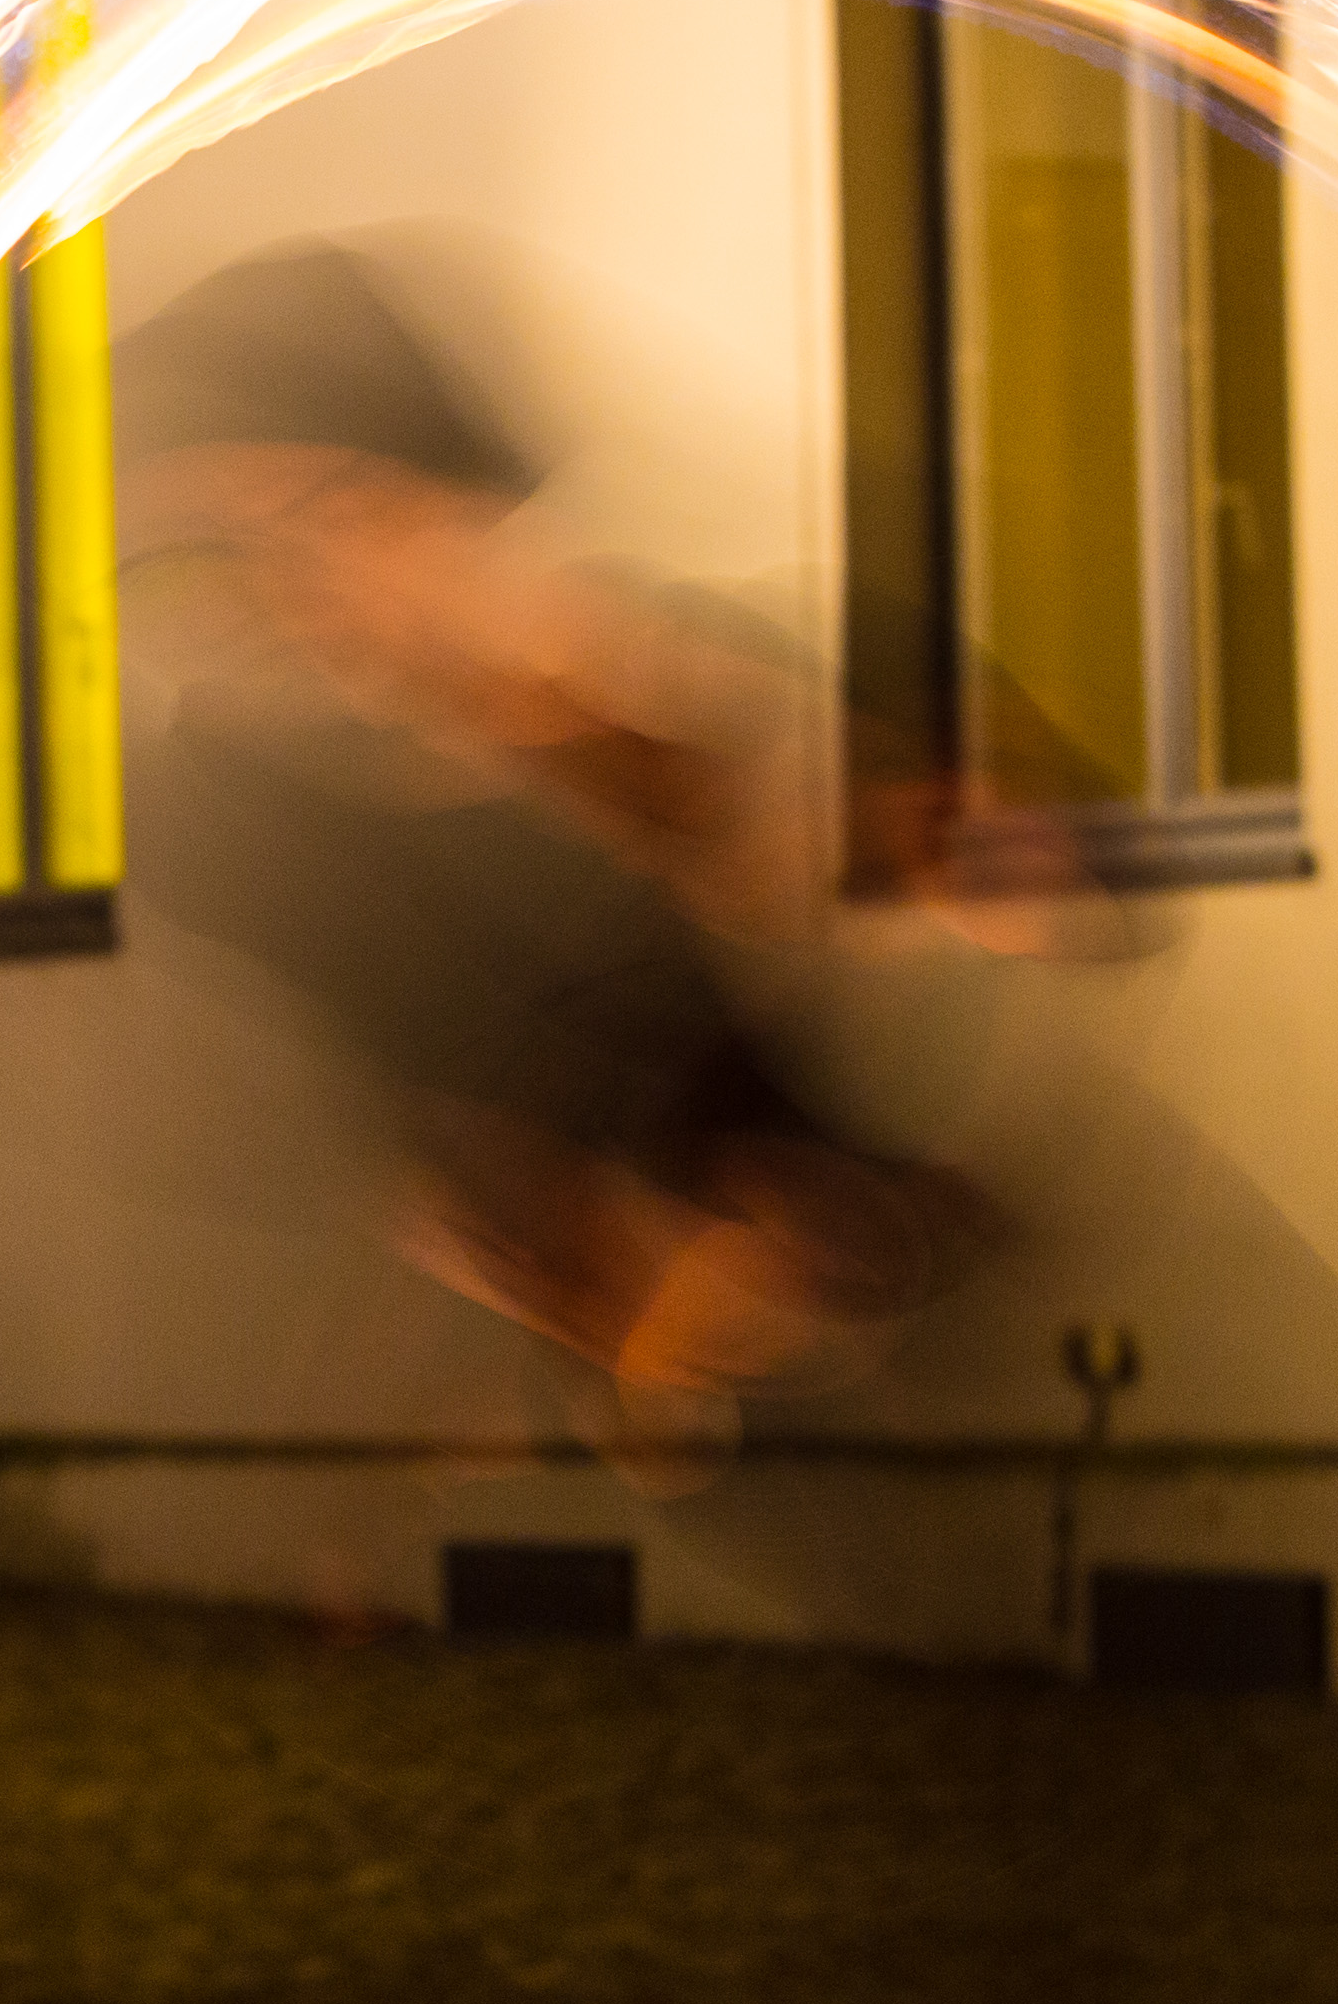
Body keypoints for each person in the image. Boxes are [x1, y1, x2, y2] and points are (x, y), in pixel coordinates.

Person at [116, 243, 999, 1480]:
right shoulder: (250, 844)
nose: (278, 599)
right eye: (201, 566)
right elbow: (415, 1169)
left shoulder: (704, 717)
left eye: (331, 519)